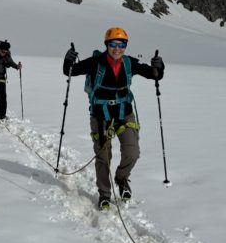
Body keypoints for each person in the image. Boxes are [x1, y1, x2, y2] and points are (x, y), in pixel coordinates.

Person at [62, 27, 164, 210]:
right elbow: (70, 71)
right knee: (103, 157)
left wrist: (159, 66)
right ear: (107, 45)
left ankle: (121, 178)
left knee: (132, 153)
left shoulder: (129, 63)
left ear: (126, 46)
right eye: (113, 44)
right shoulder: (96, 62)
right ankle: (104, 195)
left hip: (124, 113)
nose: (117, 48)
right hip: (101, 115)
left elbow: (154, 75)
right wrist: (68, 60)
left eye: (121, 44)